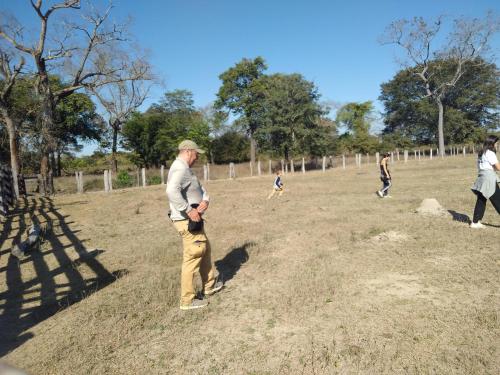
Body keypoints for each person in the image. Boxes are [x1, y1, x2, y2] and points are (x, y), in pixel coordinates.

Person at [166, 140, 223, 310]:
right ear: (188, 151)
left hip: (195, 220)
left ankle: (209, 286)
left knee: (205, 251)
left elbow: (199, 188)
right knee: (193, 255)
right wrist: (188, 210)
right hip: (188, 221)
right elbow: (171, 191)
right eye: (196, 153)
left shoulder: (185, 169)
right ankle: (187, 300)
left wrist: (205, 200)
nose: (198, 156)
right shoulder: (180, 168)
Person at [470, 135, 500, 228]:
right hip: (489, 178)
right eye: (497, 143)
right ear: (492, 143)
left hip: (482, 177)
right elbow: (498, 167)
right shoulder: (490, 153)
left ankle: (475, 222)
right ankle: (475, 222)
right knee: (498, 200)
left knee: (481, 200)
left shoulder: (481, 153)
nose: (497, 145)